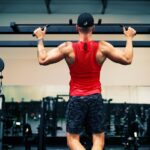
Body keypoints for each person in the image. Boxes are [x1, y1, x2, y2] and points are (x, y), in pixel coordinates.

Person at [33, 12, 136, 150]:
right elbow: (127, 59)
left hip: (77, 98)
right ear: (93, 28)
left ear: (77, 28)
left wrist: (40, 38)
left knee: (72, 140)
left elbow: (43, 59)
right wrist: (129, 38)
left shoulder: (68, 48)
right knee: (98, 140)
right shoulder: (103, 47)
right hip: (95, 97)